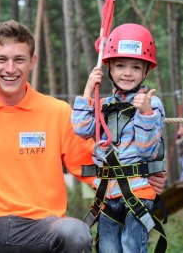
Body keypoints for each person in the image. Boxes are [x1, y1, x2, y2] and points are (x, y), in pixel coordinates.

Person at [0, 20, 167, 253]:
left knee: (75, 232)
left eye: (19, 59)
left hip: (41, 228)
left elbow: (94, 167)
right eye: (1, 59)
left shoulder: (57, 112)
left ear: (32, 61)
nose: (10, 68)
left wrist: (142, 176)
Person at [72, 23, 167, 253]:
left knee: (131, 247)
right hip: (107, 194)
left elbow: (146, 150)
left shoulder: (151, 104)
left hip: (137, 193)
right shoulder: (104, 105)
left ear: (146, 71)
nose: (127, 72)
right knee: (108, 248)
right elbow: (81, 128)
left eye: (136, 67)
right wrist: (88, 90)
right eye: (120, 65)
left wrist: (145, 114)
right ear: (110, 69)